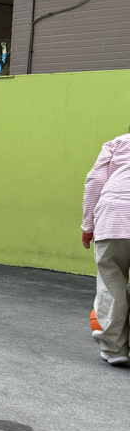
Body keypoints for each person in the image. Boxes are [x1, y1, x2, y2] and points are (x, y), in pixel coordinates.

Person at [81, 132, 130, 366]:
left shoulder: (117, 143)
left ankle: (114, 349)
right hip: (114, 216)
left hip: (113, 217)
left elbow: (94, 181)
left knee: (111, 285)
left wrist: (87, 226)